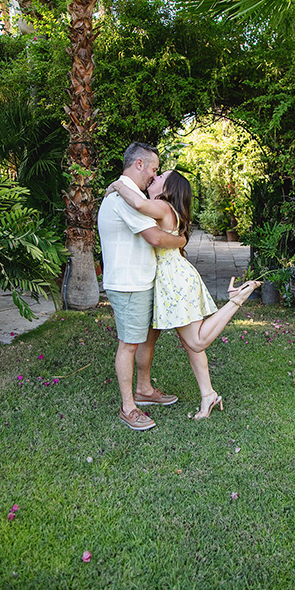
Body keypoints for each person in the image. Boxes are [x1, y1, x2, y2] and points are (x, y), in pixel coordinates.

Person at [108, 168, 261, 420]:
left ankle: (235, 300)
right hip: (174, 280)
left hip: (175, 282)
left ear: (168, 190)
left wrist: (117, 185)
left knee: (196, 341)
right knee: (191, 345)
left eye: (160, 178)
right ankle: (208, 395)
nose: (154, 178)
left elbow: (136, 202)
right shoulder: (171, 211)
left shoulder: (162, 208)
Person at [97, 142, 190, 431]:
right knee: (129, 344)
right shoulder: (123, 197)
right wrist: (182, 241)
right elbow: (157, 238)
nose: (154, 174)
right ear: (139, 165)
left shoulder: (131, 193)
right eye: (153, 168)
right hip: (129, 285)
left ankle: (145, 389)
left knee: (147, 339)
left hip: (143, 281)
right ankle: (129, 407)